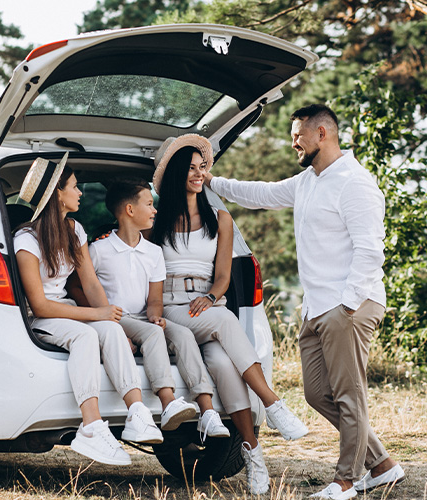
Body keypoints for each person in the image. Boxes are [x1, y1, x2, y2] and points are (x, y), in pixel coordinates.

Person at [205, 104, 405, 500]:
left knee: (350, 394)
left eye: (298, 134)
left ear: (322, 134)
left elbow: (371, 252)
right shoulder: (309, 181)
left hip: (349, 306)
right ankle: (382, 465)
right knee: (317, 393)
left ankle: (345, 480)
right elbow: (261, 194)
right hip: (317, 308)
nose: (293, 142)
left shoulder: (355, 183)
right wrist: (213, 182)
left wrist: (346, 307)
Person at [150, 134, 308, 495]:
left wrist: (211, 295)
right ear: (176, 174)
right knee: (225, 321)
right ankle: (273, 403)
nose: (199, 174)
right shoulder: (156, 220)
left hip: (206, 302)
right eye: (191, 168)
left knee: (223, 364)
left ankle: (253, 455)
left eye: (202, 167)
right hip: (173, 308)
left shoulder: (219, 218)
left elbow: (222, 277)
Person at [13, 153, 163, 467]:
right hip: (41, 318)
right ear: (57, 194)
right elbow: (39, 305)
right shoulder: (25, 240)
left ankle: (137, 412)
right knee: (85, 336)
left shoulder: (75, 230)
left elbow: (91, 285)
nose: (80, 192)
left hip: (65, 310)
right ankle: (92, 427)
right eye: (74, 187)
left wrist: (112, 321)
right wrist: (96, 314)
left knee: (109, 329)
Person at [74, 179, 230, 439]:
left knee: (182, 335)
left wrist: (155, 316)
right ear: (130, 211)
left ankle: (207, 411)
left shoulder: (154, 252)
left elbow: (155, 299)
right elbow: (76, 286)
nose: (155, 210)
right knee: (152, 334)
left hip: (143, 318)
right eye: (149, 204)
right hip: (115, 317)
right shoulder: (99, 249)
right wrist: (102, 316)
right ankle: (167, 402)